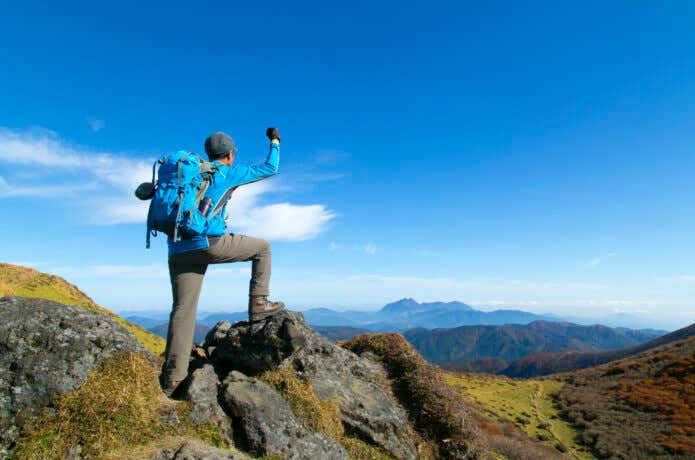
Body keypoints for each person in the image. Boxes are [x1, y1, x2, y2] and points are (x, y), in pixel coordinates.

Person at [160, 128, 285, 395]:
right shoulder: (226, 172)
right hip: (207, 243)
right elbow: (270, 167)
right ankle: (259, 303)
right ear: (229, 154)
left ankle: (172, 380)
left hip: (177, 249)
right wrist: (275, 141)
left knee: (182, 311)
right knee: (263, 248)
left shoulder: (192, 174)